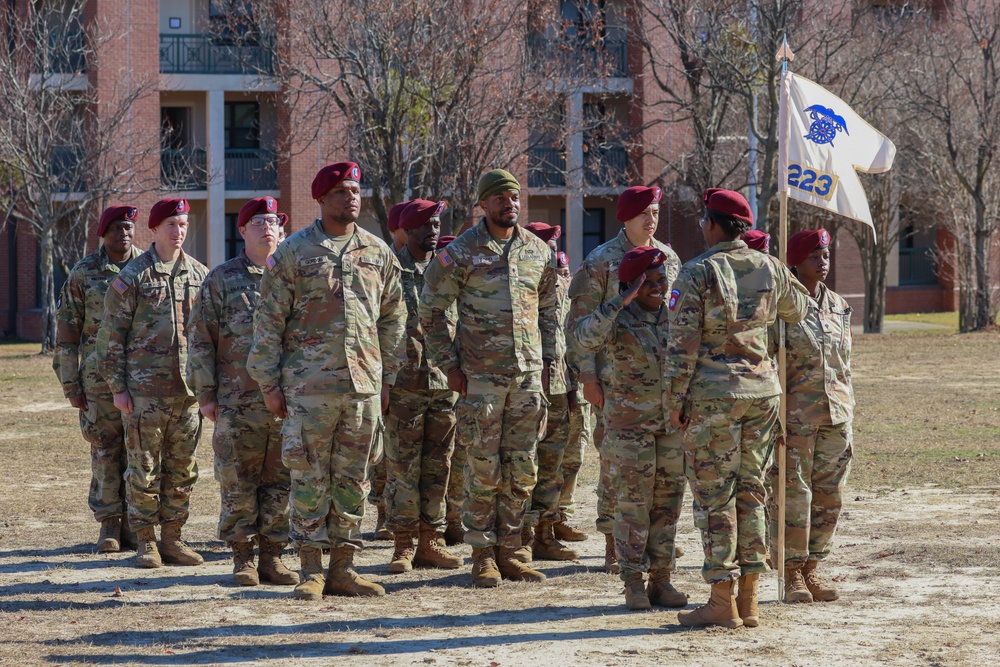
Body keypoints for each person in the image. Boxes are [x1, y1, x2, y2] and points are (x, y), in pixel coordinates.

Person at [247, 162, 405, 600]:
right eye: (340, 191)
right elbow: (268, 321)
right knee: (310, 479)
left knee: (354, 479)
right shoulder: (294, 252)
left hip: (363, 389)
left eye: (354, 189)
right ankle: (311, 570)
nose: (350, 197)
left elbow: (393, 319)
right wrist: (268, 383)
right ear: (320, 199)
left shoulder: (377, 252)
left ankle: (344, 568)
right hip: (308, 388)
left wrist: (387, 377)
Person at [667, 188, 808, 629]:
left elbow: (681, 345)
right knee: (752, 491)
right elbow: (799, 309)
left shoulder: (697, 272)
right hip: (762, 395)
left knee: (715, 497)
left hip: (714, 398)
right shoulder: (769, 267)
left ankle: (721, 600)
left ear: (712, 224)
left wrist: (674, 400)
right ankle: (750, 601)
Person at [419, 169, 558, 587]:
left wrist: (548, 361)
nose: (508, 204)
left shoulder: (538, 251)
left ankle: (512, 550)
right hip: (480, 381)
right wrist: (450, 365)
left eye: (514, 197)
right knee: (483, 469)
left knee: (522, 467)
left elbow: (549, 311)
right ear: (483, 204)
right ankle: (482, 554)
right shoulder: (461, 253)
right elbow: (430, 310)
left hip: (527, 380)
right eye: (499, 198)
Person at [566, 185, 680, 573]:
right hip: (615, 383)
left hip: (661, 382)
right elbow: (579, 323)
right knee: (616, 465)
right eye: (644, 213)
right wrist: (588, 376)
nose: (651, 219)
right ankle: (614, 540)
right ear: (626, 218)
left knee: (662, 468)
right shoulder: (601, 261)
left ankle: (653, 541)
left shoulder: (670, 258)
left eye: (655, 211)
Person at [186, 197, 298, 587]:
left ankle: (272, 557)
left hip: (286, 402)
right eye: (258, 221)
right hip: (238, 402)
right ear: (242, 230)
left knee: (281, 482)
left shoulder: (293, 275)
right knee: (237, 481)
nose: (267, 227)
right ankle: (243, 559)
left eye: (273, 221)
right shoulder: (222, 279)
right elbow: (200, 339)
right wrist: (206, 394)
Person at [97, 198, 209, 569]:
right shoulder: (133, 277)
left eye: (183, 224)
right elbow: (110, 335)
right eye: (172, 225)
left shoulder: (199, 275)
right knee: (143, 469)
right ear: (155, 230)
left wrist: (208, 387)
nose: (179, 231)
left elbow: (209, 337)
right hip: (144, 394)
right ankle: (146, 540)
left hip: (187, 394)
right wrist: (118, 387)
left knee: (182, 470)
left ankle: (173, 538)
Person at [576, 246, 688, 610]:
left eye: (660, 280)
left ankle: (662, 580)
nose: (656, 288)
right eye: (646, 282)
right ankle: (633, 583)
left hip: (671, 426)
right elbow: (583, 339)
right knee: (632, 507)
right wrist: (618, 302)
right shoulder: (615, 320)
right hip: (628, 428)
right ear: (630, 285)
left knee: (667, 506)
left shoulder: (676, 317)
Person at [767, 228, 854, 604]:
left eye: (826, 255)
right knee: (793, 495)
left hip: (836, 415)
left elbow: (844, 364)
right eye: (815, 256)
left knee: (829, 495)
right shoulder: (784, 306)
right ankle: (791, 572)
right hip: (796, 415)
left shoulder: (839, 306)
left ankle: (813, 566)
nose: (823, 262)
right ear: (797, 262)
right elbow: (768, 359)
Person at [53, 205, 143, 553]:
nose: (124, 234)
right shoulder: (84, 273)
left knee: (140, 452)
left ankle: (138, 523)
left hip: (141, 377)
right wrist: (70, 384)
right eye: (117, 228)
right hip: (97, 380)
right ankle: (109, 523)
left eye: (129, 227)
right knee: (106, 449)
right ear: (103, 234)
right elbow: (67, 333)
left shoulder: (145, 268)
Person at [384, 199, 463, 574]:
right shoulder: (389, 268)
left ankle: (430, 542)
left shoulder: (446, 269)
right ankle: (402, 544)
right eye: (425, 225)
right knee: (402, 467)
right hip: (403, 385)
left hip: (443, 384)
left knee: (438, 467)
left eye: (436, 224)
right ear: (409, 229)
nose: (433, 231)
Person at [520, 222, 578, 562]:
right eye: (545, 244)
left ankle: (545, 533)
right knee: (527, 461)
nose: (551, 250)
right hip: (529, 383)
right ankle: (522, 534)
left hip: (559, 384)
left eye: (554, 243)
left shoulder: (562, 284)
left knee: (553, 462)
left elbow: (565, 339)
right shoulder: (522, 285)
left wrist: (571, 388)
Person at [369, 199, 413, 539]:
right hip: (382, 373)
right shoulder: (384, 262)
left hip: (415, 374)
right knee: (384, 453)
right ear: (397, 230)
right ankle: (384, 511)